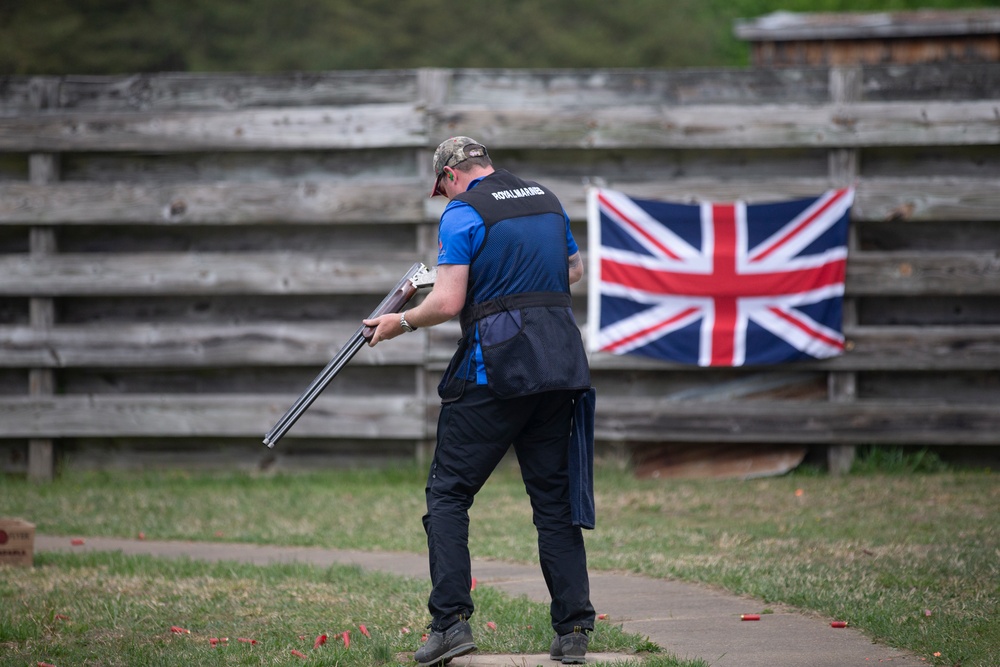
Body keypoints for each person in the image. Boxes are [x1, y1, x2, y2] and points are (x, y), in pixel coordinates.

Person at [363, 137, 596, 666]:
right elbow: (573, 271)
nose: (444, 197)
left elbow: (447, 301)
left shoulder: (462, 212)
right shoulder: (547, 198)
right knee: (553, 504)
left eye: (441, 189)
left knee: (448, 494)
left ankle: (449, 625)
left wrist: (398, 321)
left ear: (449, 175)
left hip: (496, 372)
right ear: (485, 163)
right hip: (559, 367)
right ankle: (574, 630)